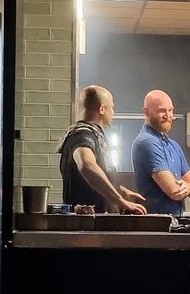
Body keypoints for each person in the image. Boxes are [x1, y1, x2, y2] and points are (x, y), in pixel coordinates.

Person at [58, 85, 147, 214]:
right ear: (102, 109)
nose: (113, 112)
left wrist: (122, 193)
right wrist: (120, 201)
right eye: (112, 107)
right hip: (87, 224)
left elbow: (99, 177)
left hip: (98, 222)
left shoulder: (92, 135)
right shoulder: (82, 134)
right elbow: (87, 165)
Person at [131, 89, 190, 216]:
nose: (168, 116)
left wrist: (188, 187)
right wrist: (187, 187)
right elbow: (174, 191)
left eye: (171, 110)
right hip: (155, 226)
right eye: (162, 111)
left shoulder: (173, 146)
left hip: (173, 222)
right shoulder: (147, 143)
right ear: (146, 112)